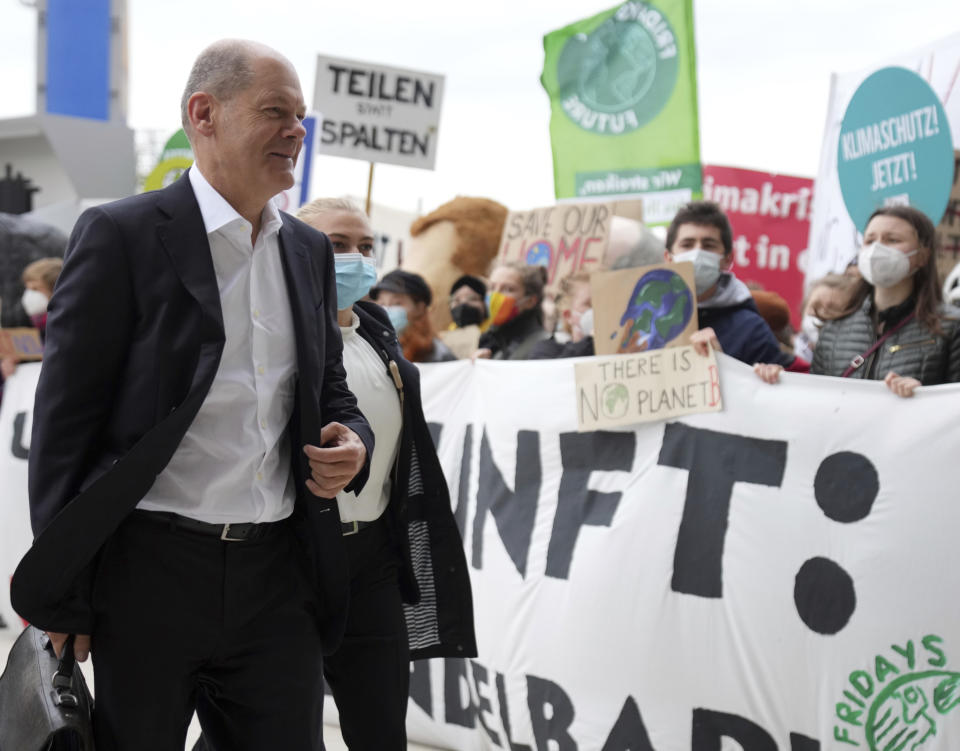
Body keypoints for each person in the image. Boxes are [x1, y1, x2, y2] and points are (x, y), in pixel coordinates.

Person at [11, 40, 374, 751]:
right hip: (148, 575)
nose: (297, 130)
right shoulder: (122, 234)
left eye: (301, 116)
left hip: (278, 577)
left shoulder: (306, 251)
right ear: (203, 113)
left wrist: (349, 437)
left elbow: (330, 385)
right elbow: (65, 426)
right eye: (277, 112)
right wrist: (63, 590)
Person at [295, 197, 477, 750]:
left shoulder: (376, 329)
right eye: (338, 245)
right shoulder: (276, 334)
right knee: (274, 729)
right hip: (288, 558)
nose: (356, 258)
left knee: (380, 728)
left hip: (371, 555)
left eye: (366, 246)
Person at [757, 206, 960, 394]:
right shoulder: (834, 329)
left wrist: (925, 399)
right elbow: (816, 403)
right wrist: (778, 382)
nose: (877, 249)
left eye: (892, 239)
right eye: (870, 240)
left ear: (923, 256)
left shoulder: (951, 327)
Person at [665, 201, 807, 372]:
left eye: (708, 245)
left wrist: (769, 375)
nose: (697, 253)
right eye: (687, 245)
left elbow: (793, 388)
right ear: (668, 258)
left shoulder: (750, 329)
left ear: (727, 259)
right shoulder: (646, 321)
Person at [371, 268, 456, 363]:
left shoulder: (438, 355)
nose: (386, 309)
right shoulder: (370, 347)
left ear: (420, 308)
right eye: (382, 303)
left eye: (397, 303)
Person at [0, 257, 62, 385]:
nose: (29, 295)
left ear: (54, 290)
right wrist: (8, 366)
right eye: (27, 288)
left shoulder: (65, 331)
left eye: (35, 289)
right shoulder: (31, 335)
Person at [474, 262, 549, 360]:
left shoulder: (542, 347)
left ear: (530, 301)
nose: (495, 295)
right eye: (492, 287)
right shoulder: (488, 340)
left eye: (508, 289)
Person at [530, 270, 596, 358]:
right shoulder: (545, 350)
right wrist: (591, 340)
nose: (599, 308)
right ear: (568, 316)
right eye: (590, 304)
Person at [792, 273, 855, 364]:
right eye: (815, 306)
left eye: (832, 309)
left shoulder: (854, 364)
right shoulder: (783, 357)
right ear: (804, 308)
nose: (820, 314)